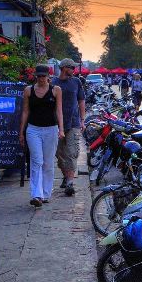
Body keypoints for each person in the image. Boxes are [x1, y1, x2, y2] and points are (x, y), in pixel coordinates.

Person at [20, 64, 64, 206]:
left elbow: (59, 111)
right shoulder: (28, 90)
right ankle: (36, 195)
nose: (41, 79)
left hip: (51, 129)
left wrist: (61, 129)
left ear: (48, 76)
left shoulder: (56, 90)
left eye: (43, 76)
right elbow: (25, 111)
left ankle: (45, 194)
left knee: (48, 163)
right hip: (33, 129)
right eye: (38, 76)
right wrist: (21, 131)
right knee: (36, 161)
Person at [54, 58, 86, 196]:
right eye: (71, 67)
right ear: (63, 68)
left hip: (73, 123)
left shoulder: (76, 82)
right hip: (55, 124)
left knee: (72, 153)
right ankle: (66, 175)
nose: (73, 70)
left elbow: (81, 100)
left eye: (74, 68)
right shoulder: (53, 82)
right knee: (59, 154)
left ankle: (70, 183)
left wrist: (82, 120)